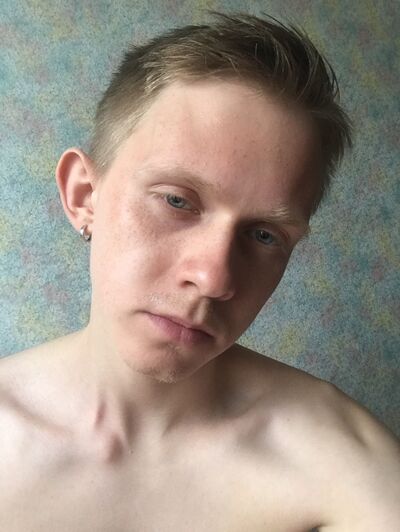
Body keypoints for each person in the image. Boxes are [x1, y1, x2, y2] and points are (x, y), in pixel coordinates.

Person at [0, 11, 399, 532]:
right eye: (176, 201)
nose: (214, 280)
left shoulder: (339, 463)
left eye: (263, 235)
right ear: (83, 196)